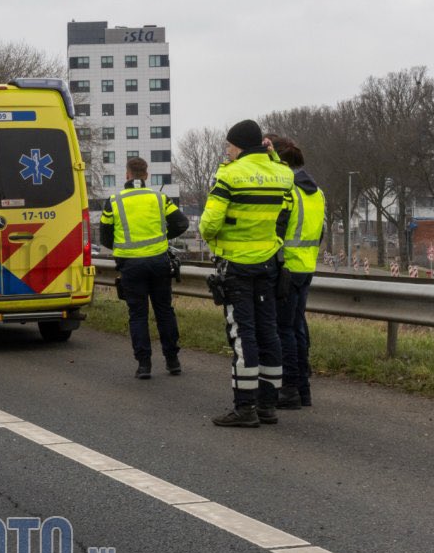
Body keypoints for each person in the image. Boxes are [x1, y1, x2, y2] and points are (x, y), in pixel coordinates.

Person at [200, 119, 294, 427]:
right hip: (268, 263)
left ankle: (245, 408)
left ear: (238, 146)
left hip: (237, 266)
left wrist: (215, 241)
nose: (226, 152)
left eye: (228, 146)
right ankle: (268, 405)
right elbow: (286, 216)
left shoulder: (230, 175)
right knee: (269, 332)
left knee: (243, 334)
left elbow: (210, 224)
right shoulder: (282, 174)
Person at [99, 157, 190, 379]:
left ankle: (144, 365)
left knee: (138, 315)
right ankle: (173, 361)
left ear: (127, 175)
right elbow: (182, 223)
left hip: (130, 265)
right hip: (158, 262)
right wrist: (161, 239)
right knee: (164, 311)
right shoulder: (160, 198)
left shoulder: (114, 201)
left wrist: (122, 247)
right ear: (146, 175)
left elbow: (104, 237)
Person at [267, 135, 324, 409]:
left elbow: (277, 228)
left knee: (284, 329)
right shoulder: (317, 191)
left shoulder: (286, 189)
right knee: (298, 326)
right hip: (306, 266)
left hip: (286, 267)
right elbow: (320, 231)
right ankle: (303, 389)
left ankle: (288, 388)